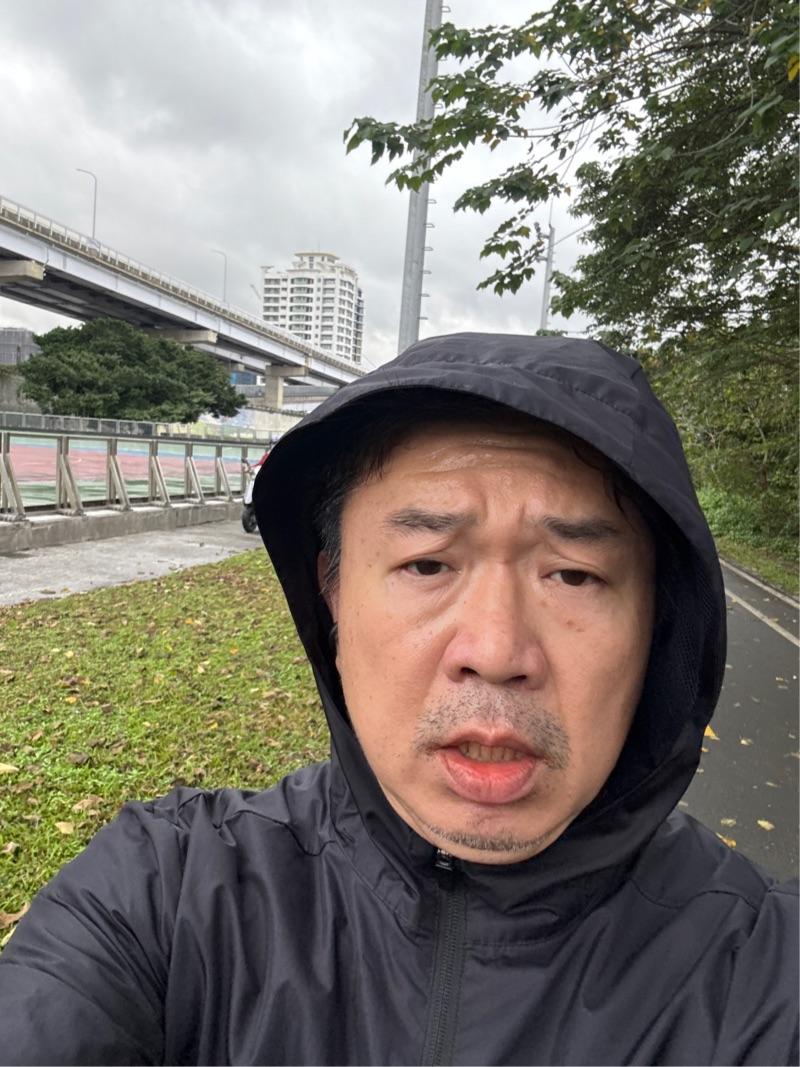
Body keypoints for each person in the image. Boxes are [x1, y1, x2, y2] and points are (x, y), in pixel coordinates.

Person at [0, 333, 797, 1066]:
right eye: (427, 564)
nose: (495, 652)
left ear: (658, 622)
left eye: (573, 574)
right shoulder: (165, 897)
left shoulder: (764, 973)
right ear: (332, 593)